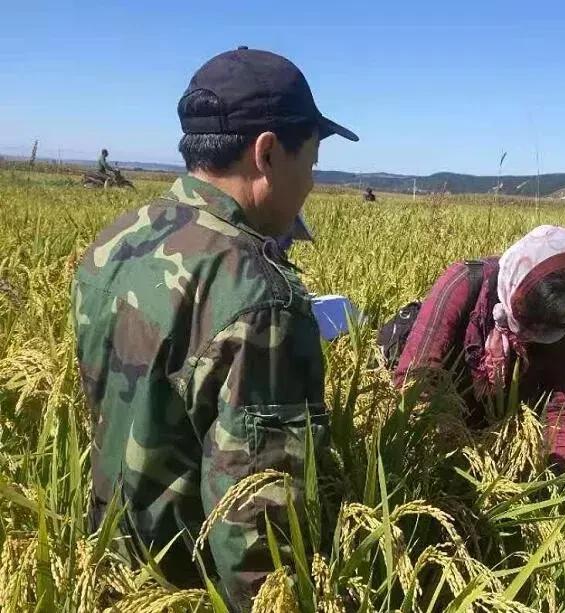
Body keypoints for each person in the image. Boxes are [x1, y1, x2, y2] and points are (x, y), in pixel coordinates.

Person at [71, 47, 358, 611]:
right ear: (268, 153)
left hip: (109, 568)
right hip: (186, 588)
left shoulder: (117, 238)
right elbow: (257, 526)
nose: (312, 182)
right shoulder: (260, 296)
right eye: (314, 159)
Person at [387, 225, 565, 472]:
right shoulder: (464, 282)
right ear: (517, 282)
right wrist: (450, 449)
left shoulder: (561, 319)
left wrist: (557, 468)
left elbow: (562, 407)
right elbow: (415, 378)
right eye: (526, 318)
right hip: (448, 418)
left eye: (544, 329)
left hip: (493, 426)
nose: (530, 333)